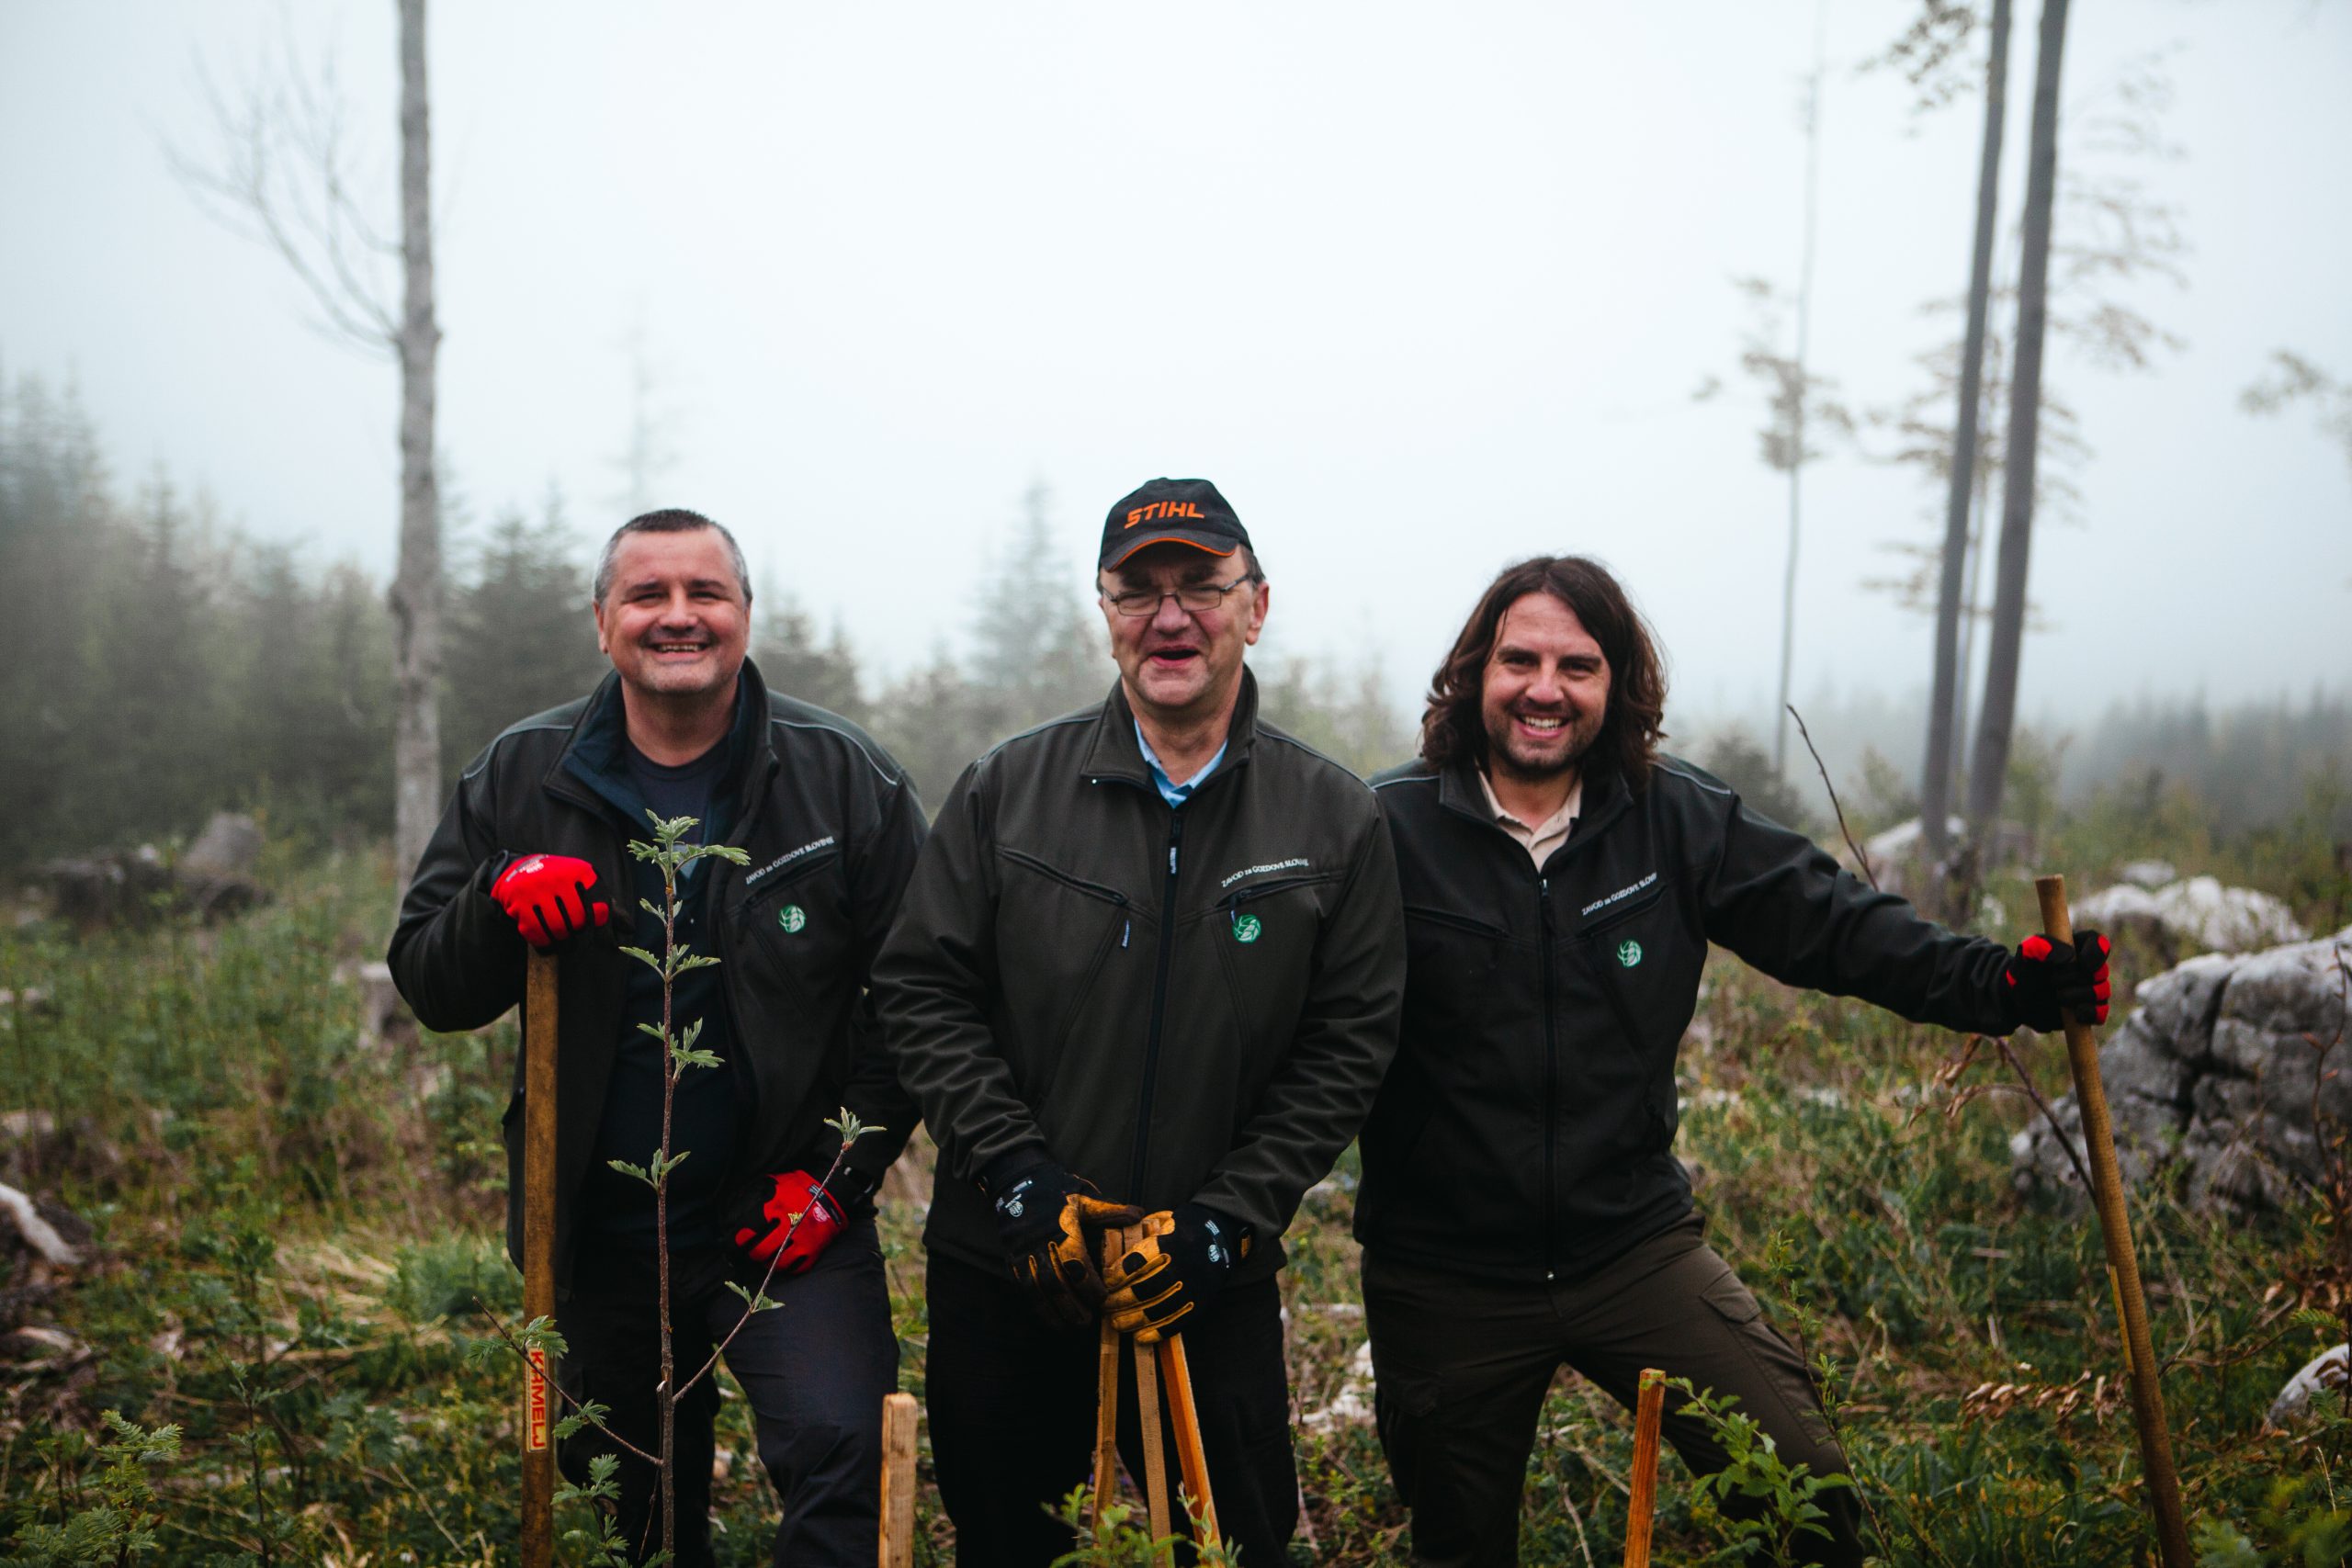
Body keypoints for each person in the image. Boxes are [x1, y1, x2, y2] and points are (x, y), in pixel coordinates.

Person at [1360, 556, 2110, 1568]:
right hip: (1444, 1274)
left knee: (1807, 1495)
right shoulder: (1385, 828)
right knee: (1459, 1547)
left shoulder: (1675, 818)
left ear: (1615, 685)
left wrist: (2005, 987)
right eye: (1520, 660)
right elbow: (1277, 1009)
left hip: (1629, 1248)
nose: (1545, 688)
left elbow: (1837, 928)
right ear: (1474, 672)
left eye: (1577, 665)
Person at [876, 478, 1407, 1565]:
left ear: (1255, 606)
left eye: (1201, 587)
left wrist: (1230, 1219)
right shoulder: (1006, 791)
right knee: (1007, 1544)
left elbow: (1349, 1043)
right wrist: (1014, 1174)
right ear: (1106, 610)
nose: (1170, 617)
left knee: (1231, 1546)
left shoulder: (1331, 816)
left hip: (1208, 1278)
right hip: (1012, 1265)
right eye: (1138, 591)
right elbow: (922, 990)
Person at [388, 508, 927, 1566]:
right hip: (594, 1225)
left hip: (784, 1221)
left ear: (743, 617)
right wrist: (498, 901)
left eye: (705, 594)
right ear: (602, 623)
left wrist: (835, 1176)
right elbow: (430, 984)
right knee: (628, 1507)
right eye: (647, 596)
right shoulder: (521, 775)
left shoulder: (844, 777)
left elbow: (920, 997)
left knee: (839, 1446)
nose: (677, 617)